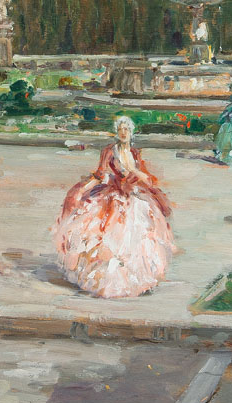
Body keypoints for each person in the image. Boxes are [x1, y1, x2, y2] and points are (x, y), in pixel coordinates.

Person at [52, 116, 176, 298]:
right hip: (113, 197)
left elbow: (144, 177)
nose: (123, 133)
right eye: (121, 129)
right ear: (117, 132)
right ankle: (105, 280)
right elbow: (100, 174)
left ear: (131, 133)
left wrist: (135, 173)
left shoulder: (134, 153)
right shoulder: (110, 151)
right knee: (108, 234)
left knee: (138, 235)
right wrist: (83, 189)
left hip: (132, 196)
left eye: (126, 129)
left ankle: (135, 279)